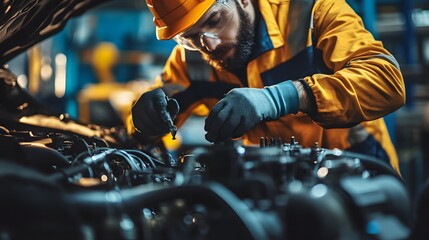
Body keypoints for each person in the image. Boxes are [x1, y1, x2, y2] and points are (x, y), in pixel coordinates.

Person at [129, 0, 405, 173]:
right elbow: (141, 134)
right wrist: (144, 120)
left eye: (214, 21)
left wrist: (282, 98)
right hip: (271, 187)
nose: (209, 45)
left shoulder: (315, 13)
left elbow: (387, 82)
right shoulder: (190, 59)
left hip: (358, 172)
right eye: (189, 37)